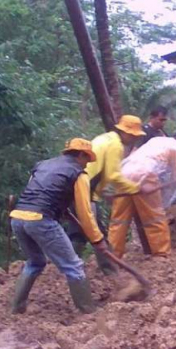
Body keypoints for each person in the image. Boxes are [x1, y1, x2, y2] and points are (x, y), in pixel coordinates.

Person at [10, 138, 109, 314]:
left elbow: (35, 193)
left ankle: (16, 309)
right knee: (74, 266)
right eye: (87, 160)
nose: (87, 165)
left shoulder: (42, 165)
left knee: (35, 262)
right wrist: (97, 238)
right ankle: (89, 313)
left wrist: (61, 209)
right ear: (80, 155)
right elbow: (85, 212)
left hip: (18, 217)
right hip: (41, 220)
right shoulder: (78, 173)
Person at [69, 115, 146, 274]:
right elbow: (113, 175)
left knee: (79, 233)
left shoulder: (104, 138)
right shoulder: (116, 145)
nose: (133, 139)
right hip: (85, 191)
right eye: (133, 136)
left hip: (77, 187)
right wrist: (134, 188)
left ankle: (65, 268)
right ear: (125, 133)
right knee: (98, 234)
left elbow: (98, 170)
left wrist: (102, 192)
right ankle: (111, 273)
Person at [108, 137, 176, 259]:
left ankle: (113, 256)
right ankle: (161, 254)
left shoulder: (155, 142)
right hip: (145, 175)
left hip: (124, 175)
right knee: (154, 218)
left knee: (119, 220)